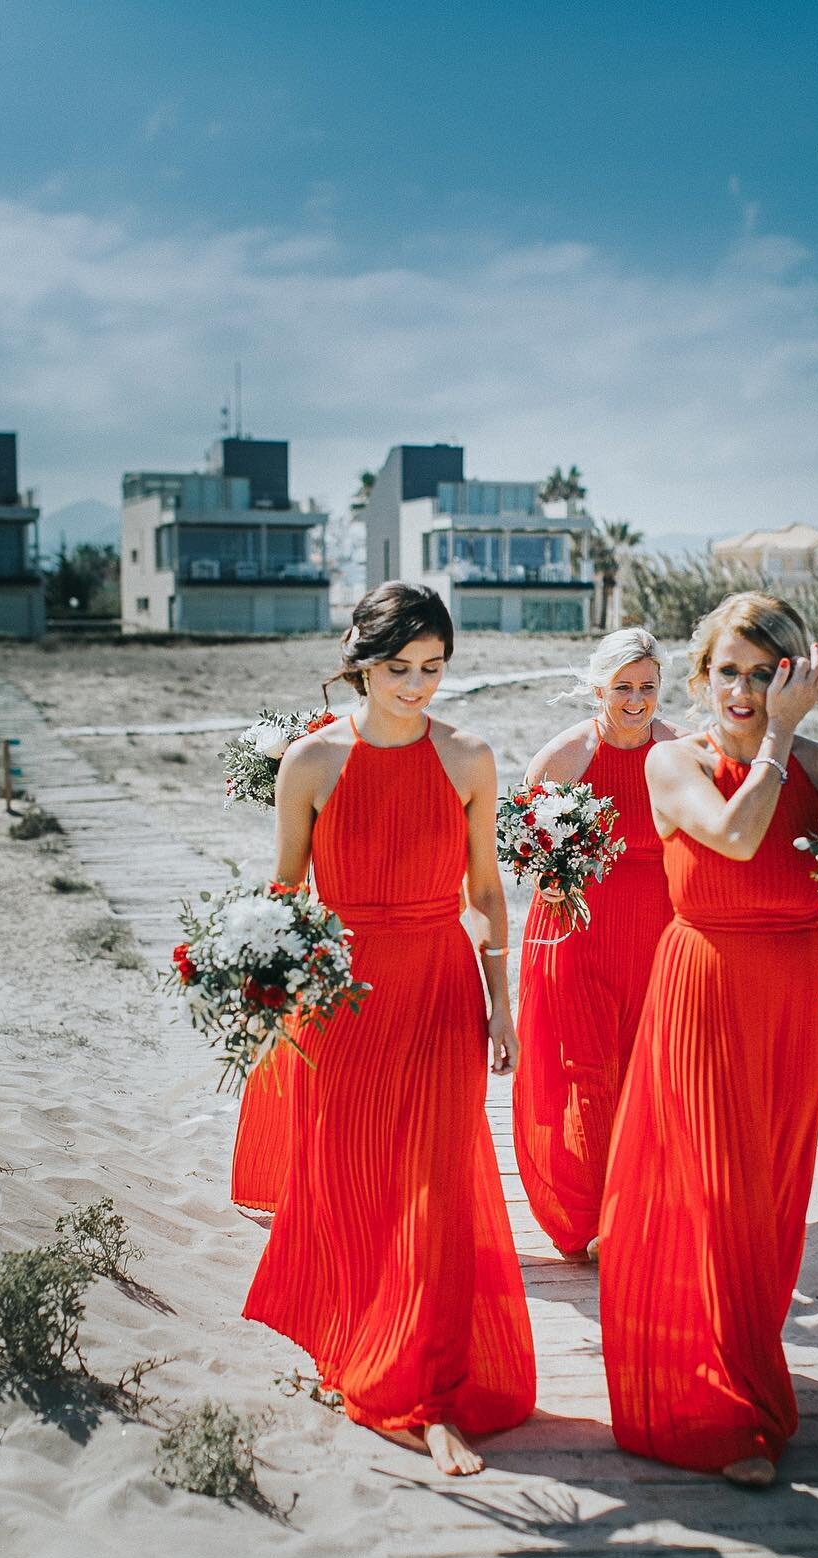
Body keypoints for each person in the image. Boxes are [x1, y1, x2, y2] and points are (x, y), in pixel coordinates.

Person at [599, 591, 818, 1487]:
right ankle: (730, 1415)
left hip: (794, 994)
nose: (745, 688)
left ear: (797, 675)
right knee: (721, 1192)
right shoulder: (671, 766)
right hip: (704, 990)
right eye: (728, 671)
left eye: (766, 672)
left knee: (772, 1194)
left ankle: (746, 1358)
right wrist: (775, 739)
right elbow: (735, 839)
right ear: (700, 677)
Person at [243, 583, 536, 1476]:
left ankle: (425, 1390)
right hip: (345, 997)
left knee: (437, 1187)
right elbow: (287, 888)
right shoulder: (312, 764)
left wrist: (501, 1001)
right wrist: (258, 983)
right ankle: (366, 1341)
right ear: (362, 661)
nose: (416, 686)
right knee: (353, 1175)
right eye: (399, 668)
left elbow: (486, 893)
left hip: (443, 988)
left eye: (434, 669)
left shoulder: (470, 757)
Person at [512, 629, 683, 1259]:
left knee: (649, 1071)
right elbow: (525, 847)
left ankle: (639, 1208)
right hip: (576, 929)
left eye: (648, 686)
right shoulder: (564, 757)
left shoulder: (681, 750)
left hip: (657, 932)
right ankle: (588, 1214)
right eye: (623, 688)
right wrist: (546, 880)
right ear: (598, 689)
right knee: (587, 1071)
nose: (637, 700)